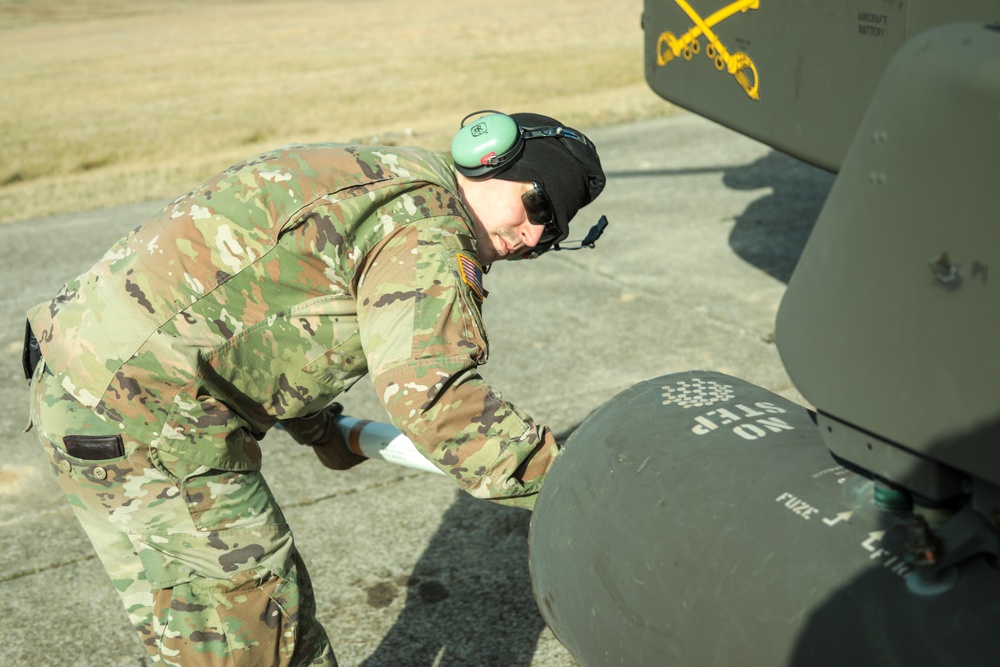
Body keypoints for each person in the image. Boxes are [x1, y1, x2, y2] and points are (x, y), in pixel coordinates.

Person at [22, 110, 606, 666]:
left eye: (554, 232)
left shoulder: (381, 177)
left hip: (82, 394)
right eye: (539, 205)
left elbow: (267, 316)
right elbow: (434, 398)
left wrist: (321, 429)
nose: (533, 236)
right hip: (150, 421)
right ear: (489, 158)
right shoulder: (426, 229)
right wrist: (575, 490)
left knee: (196, 635)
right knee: (264, 640)